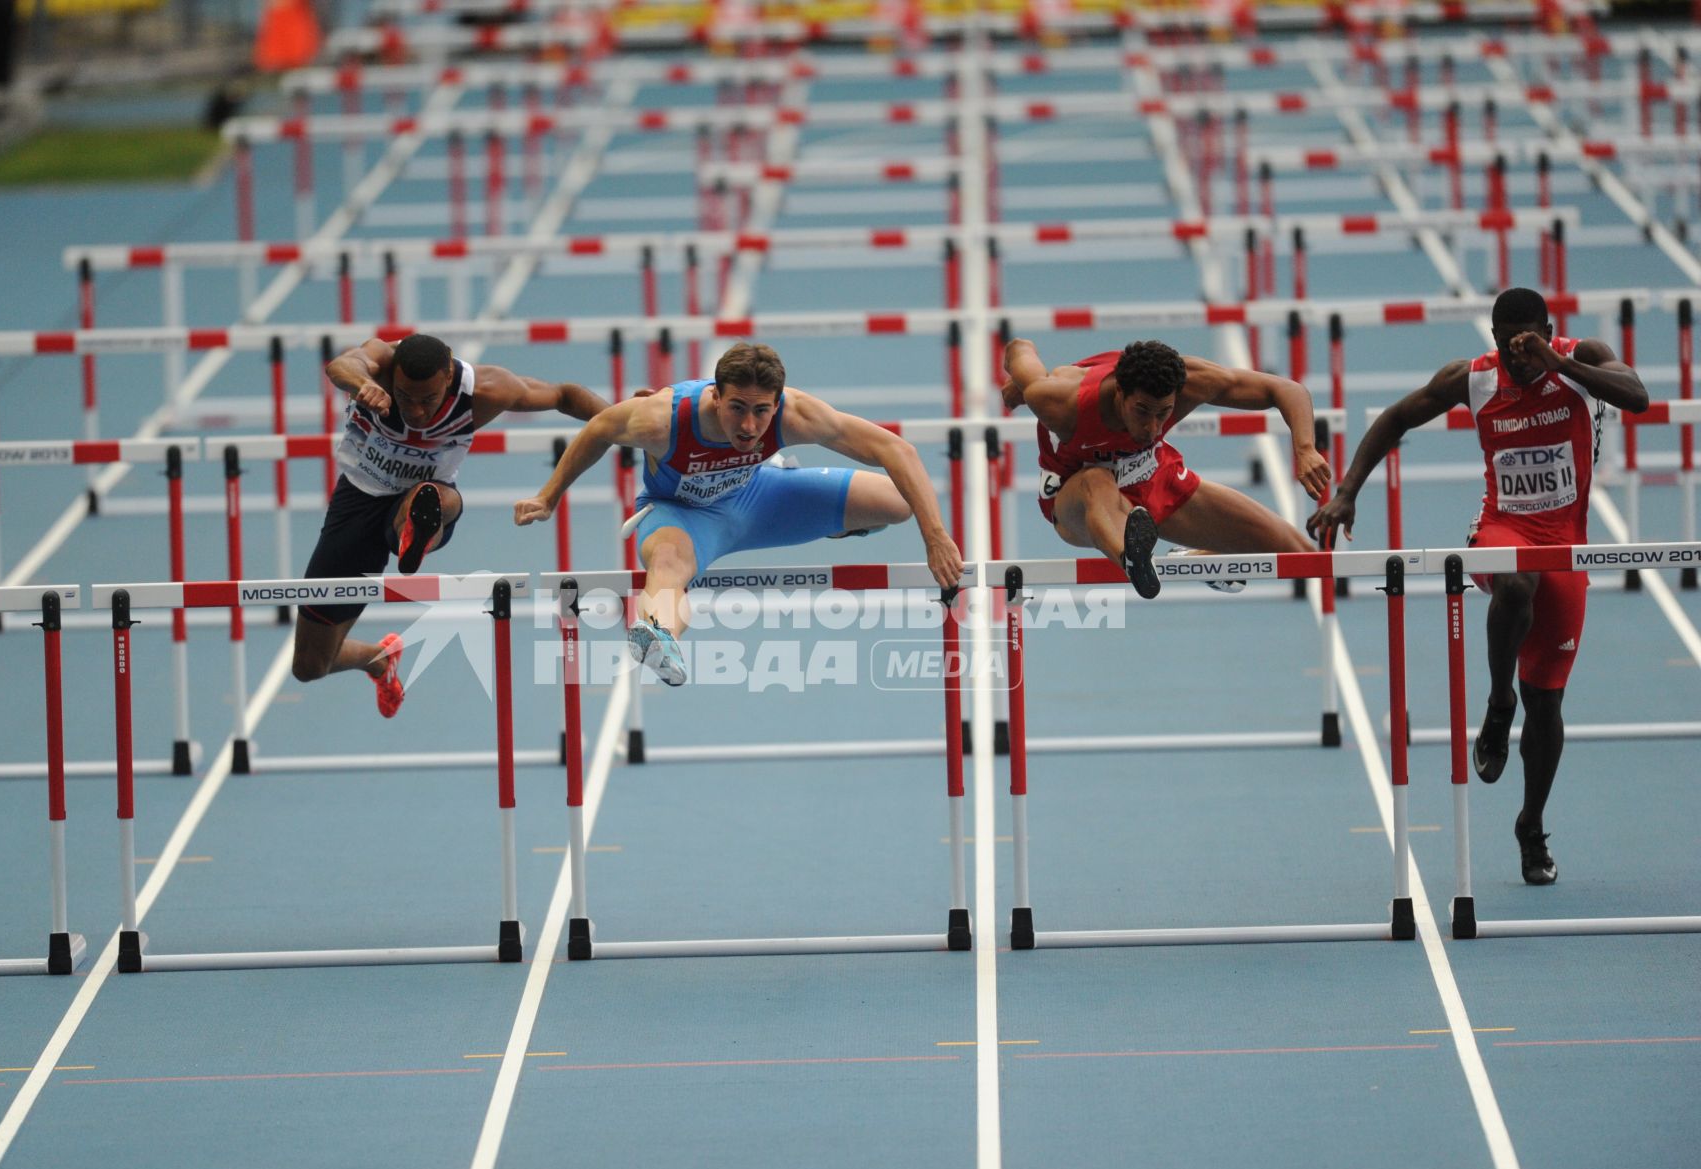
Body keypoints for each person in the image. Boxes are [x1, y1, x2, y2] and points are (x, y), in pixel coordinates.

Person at [1308, 287, 1649, 886]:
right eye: (1507, 343)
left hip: (1564, 545)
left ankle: (1531, 826)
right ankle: (1497, 704)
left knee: (1548, 705)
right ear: (1492, 337)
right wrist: (1347, 491)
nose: (1518, 354)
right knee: (1514, 585)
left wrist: (1557, 363)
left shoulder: (1580, 358)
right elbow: (1395, 417)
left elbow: (1638, 398)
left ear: (1546, 328)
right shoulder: (1474, 379)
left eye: (1529, 340)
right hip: (1502, 528)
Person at [513, 342, 963, 686]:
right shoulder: (661, 419)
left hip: (759, 499)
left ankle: (833, 524)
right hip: (681, 517)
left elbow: (894, 449)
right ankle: (657, 633)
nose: (749, 426)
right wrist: (549, 496)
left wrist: (936, 535)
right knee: (667, 567)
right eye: (737, 409)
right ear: (715, 396)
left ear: (778, 401)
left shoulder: (797, 414)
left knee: (897, 503)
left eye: (762, 411)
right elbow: (598, 429)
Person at [295, 332, 610, 717]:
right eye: (405, 396)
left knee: (432, 498)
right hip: (357, 501)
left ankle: (417, 532)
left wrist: (626, 416)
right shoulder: (380, 362)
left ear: (448, 376)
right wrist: (364, 384)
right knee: (310, 666)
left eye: (427, 399)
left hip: (428, 500)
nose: (415, 410)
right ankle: (378, 656)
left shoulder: (487, 389)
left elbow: (563, 395)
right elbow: (341, 364)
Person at [1001, 338, 1332, 599]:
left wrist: (1305, 449)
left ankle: (1197, 559)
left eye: (1164, 413)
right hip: (1078, 499)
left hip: (1152, 476)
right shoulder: (1057, 399)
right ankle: (1133, 559)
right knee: (1096, 480)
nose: (1152, 427)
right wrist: (1021, 384)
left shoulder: (1193, 382)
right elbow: (1019, 347)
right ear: (1120, 391)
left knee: (1301, 556)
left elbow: (1286, 389)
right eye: (1142, 411)